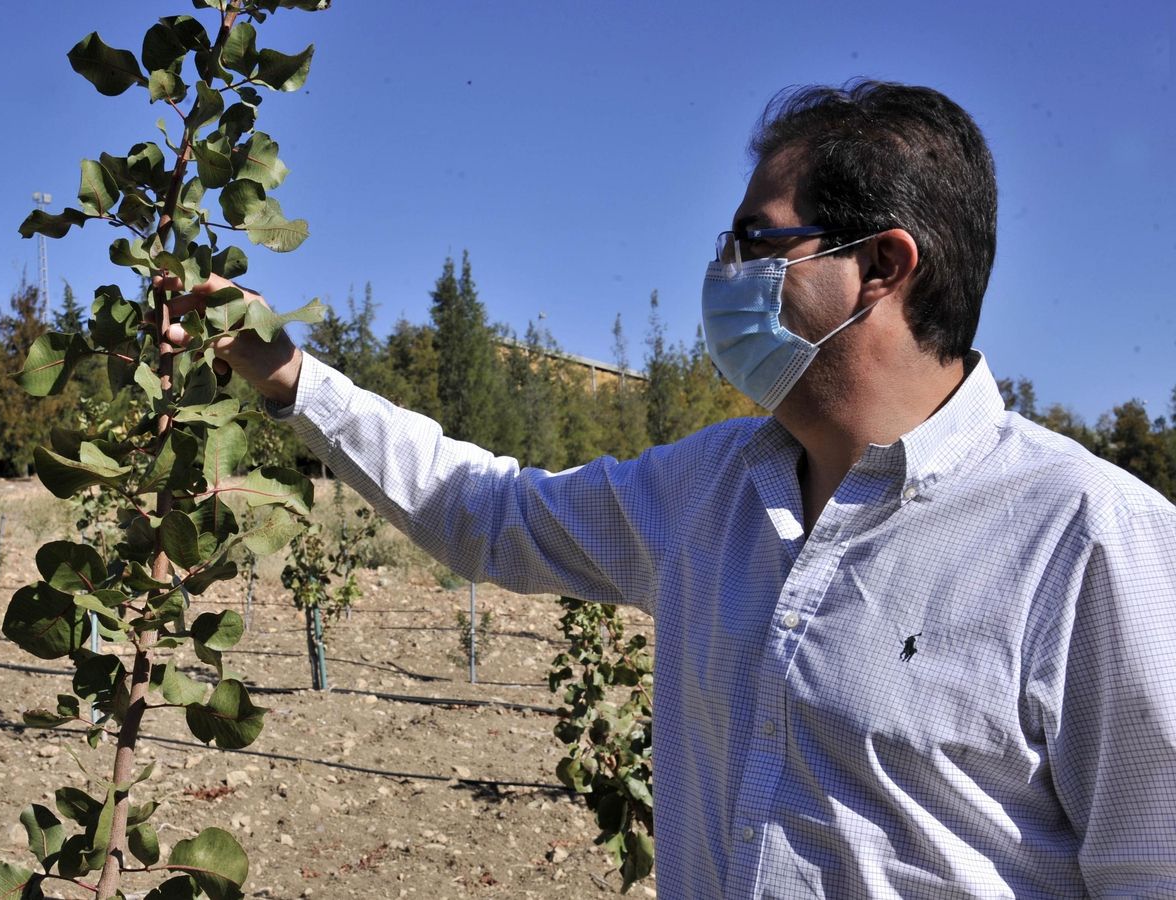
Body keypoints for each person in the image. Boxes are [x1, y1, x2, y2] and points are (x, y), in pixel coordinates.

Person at [157, 80, 1176, 898]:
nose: (721, 271)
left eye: (753, 242)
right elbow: (488, 514)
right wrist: (291, 379)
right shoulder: (708, 491)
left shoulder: (1088, 540)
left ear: (880, 265)